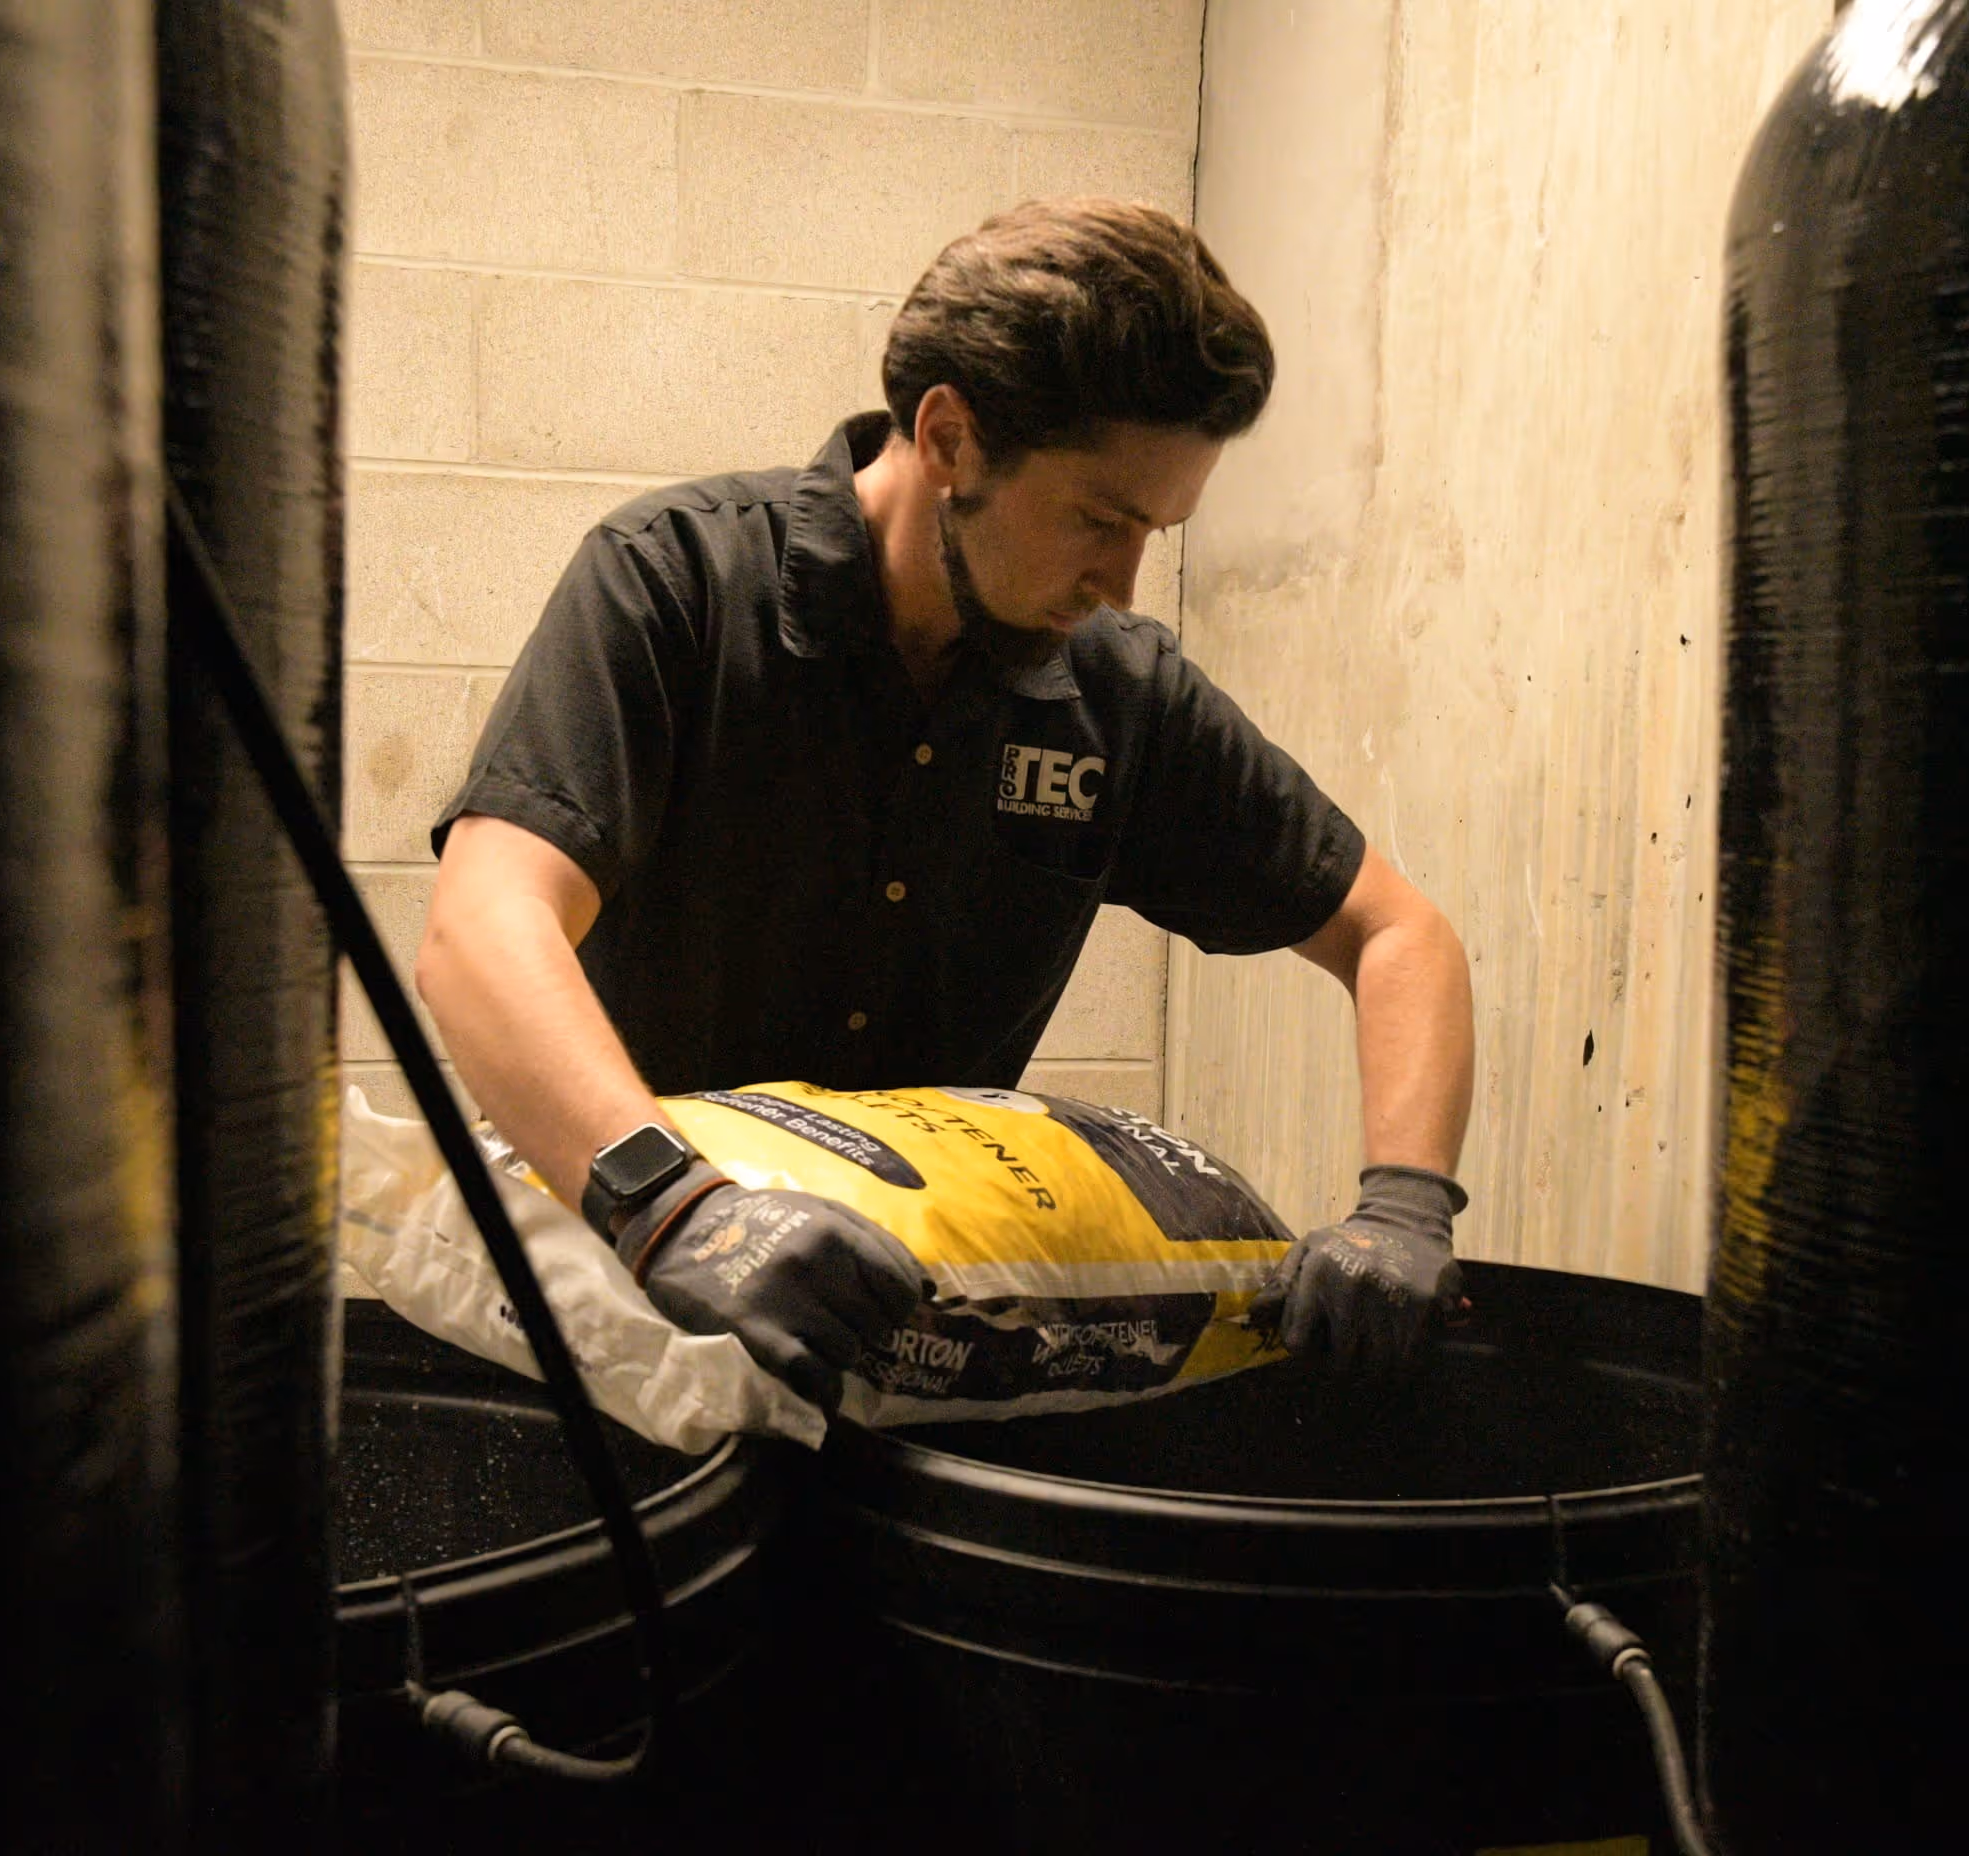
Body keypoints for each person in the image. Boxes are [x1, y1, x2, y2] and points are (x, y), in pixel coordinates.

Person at [415, 199, 1475, 1412]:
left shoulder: (1118, 696)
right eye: (1100, 518)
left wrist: (1403, 1204)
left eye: (1157, 532)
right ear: (952, 437)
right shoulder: (676, 583)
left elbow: (1402, 935)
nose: (1123, 581)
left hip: (895, 1365)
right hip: (621, 1325)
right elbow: (480, 930)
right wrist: (678, 1206)